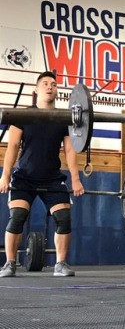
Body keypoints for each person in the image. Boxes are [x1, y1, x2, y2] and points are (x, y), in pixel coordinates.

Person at [0, 71, 84, 277]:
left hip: (52, 177)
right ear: (36, 90)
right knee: (17, 217)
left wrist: (75, 179)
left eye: (54, 84)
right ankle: (10, 263)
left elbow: (70, 150)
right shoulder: (23, 116)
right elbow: (12, 146)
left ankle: (60, 264)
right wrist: (5, 175)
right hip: (24, 176)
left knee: (63, 218)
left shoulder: (64, 118)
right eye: (45, 83)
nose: (50, 86)